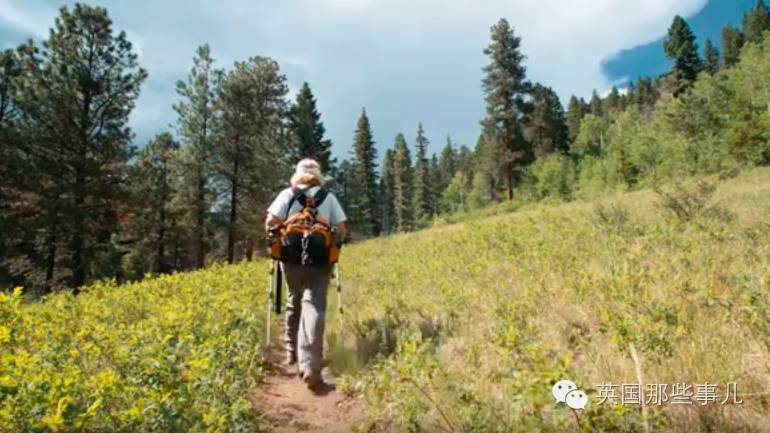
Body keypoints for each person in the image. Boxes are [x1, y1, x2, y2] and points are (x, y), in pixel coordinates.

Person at [265, 158, 348, 390]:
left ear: (297, 174)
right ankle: (311, 365)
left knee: (295, 299)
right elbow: (341, 228)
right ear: (318, 175)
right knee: (314, 305)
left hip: (290, 257)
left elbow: (271, 222)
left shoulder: (286, 194)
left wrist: (275, 241)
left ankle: (291, 352)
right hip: (320, 259)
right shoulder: (327, 197)